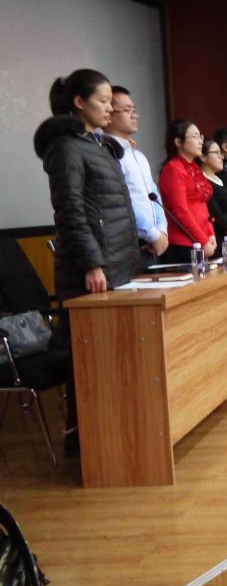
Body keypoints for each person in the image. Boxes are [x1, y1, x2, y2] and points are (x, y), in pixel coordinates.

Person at [33, 68, 139, 454]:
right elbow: (71, 212)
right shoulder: (66, 148)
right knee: (88, 359)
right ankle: (82, 440)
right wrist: (93, 264)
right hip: (90, 271)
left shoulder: (97, 145)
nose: (111, 108)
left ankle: (114, 434)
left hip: (117, 265)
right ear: (79, 103)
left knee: (113, 356)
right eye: (104, 101)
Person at [108, 86, 168, 268]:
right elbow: (122, 200)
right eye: (127, 110)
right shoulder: (109, 154)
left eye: (134, 110)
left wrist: (162, 231)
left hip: (153, 243)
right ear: (109, 113)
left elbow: (154, 195)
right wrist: (153, 234)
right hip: (130, 244)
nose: (134, 115)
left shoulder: (139, 156)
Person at [158, 120, 216, 264]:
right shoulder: (173, 169)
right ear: (178, 142)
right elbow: (180, 212)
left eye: (200, 136)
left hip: (202, 240)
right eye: (195, 136)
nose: (200, 141)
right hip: (184, 244)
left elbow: (202, 204)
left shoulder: (193, 167)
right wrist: (203, 240)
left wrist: (210, 233)